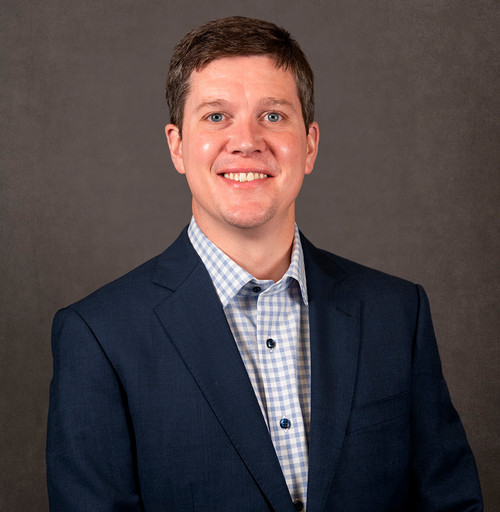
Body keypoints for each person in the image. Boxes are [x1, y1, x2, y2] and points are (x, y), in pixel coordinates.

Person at [46, 16, 483, 512]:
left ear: (311, 144)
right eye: (216, 117)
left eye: (273, 115)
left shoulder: (397, 313)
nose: (247, 140)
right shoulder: (98, 335)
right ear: (177, 146)